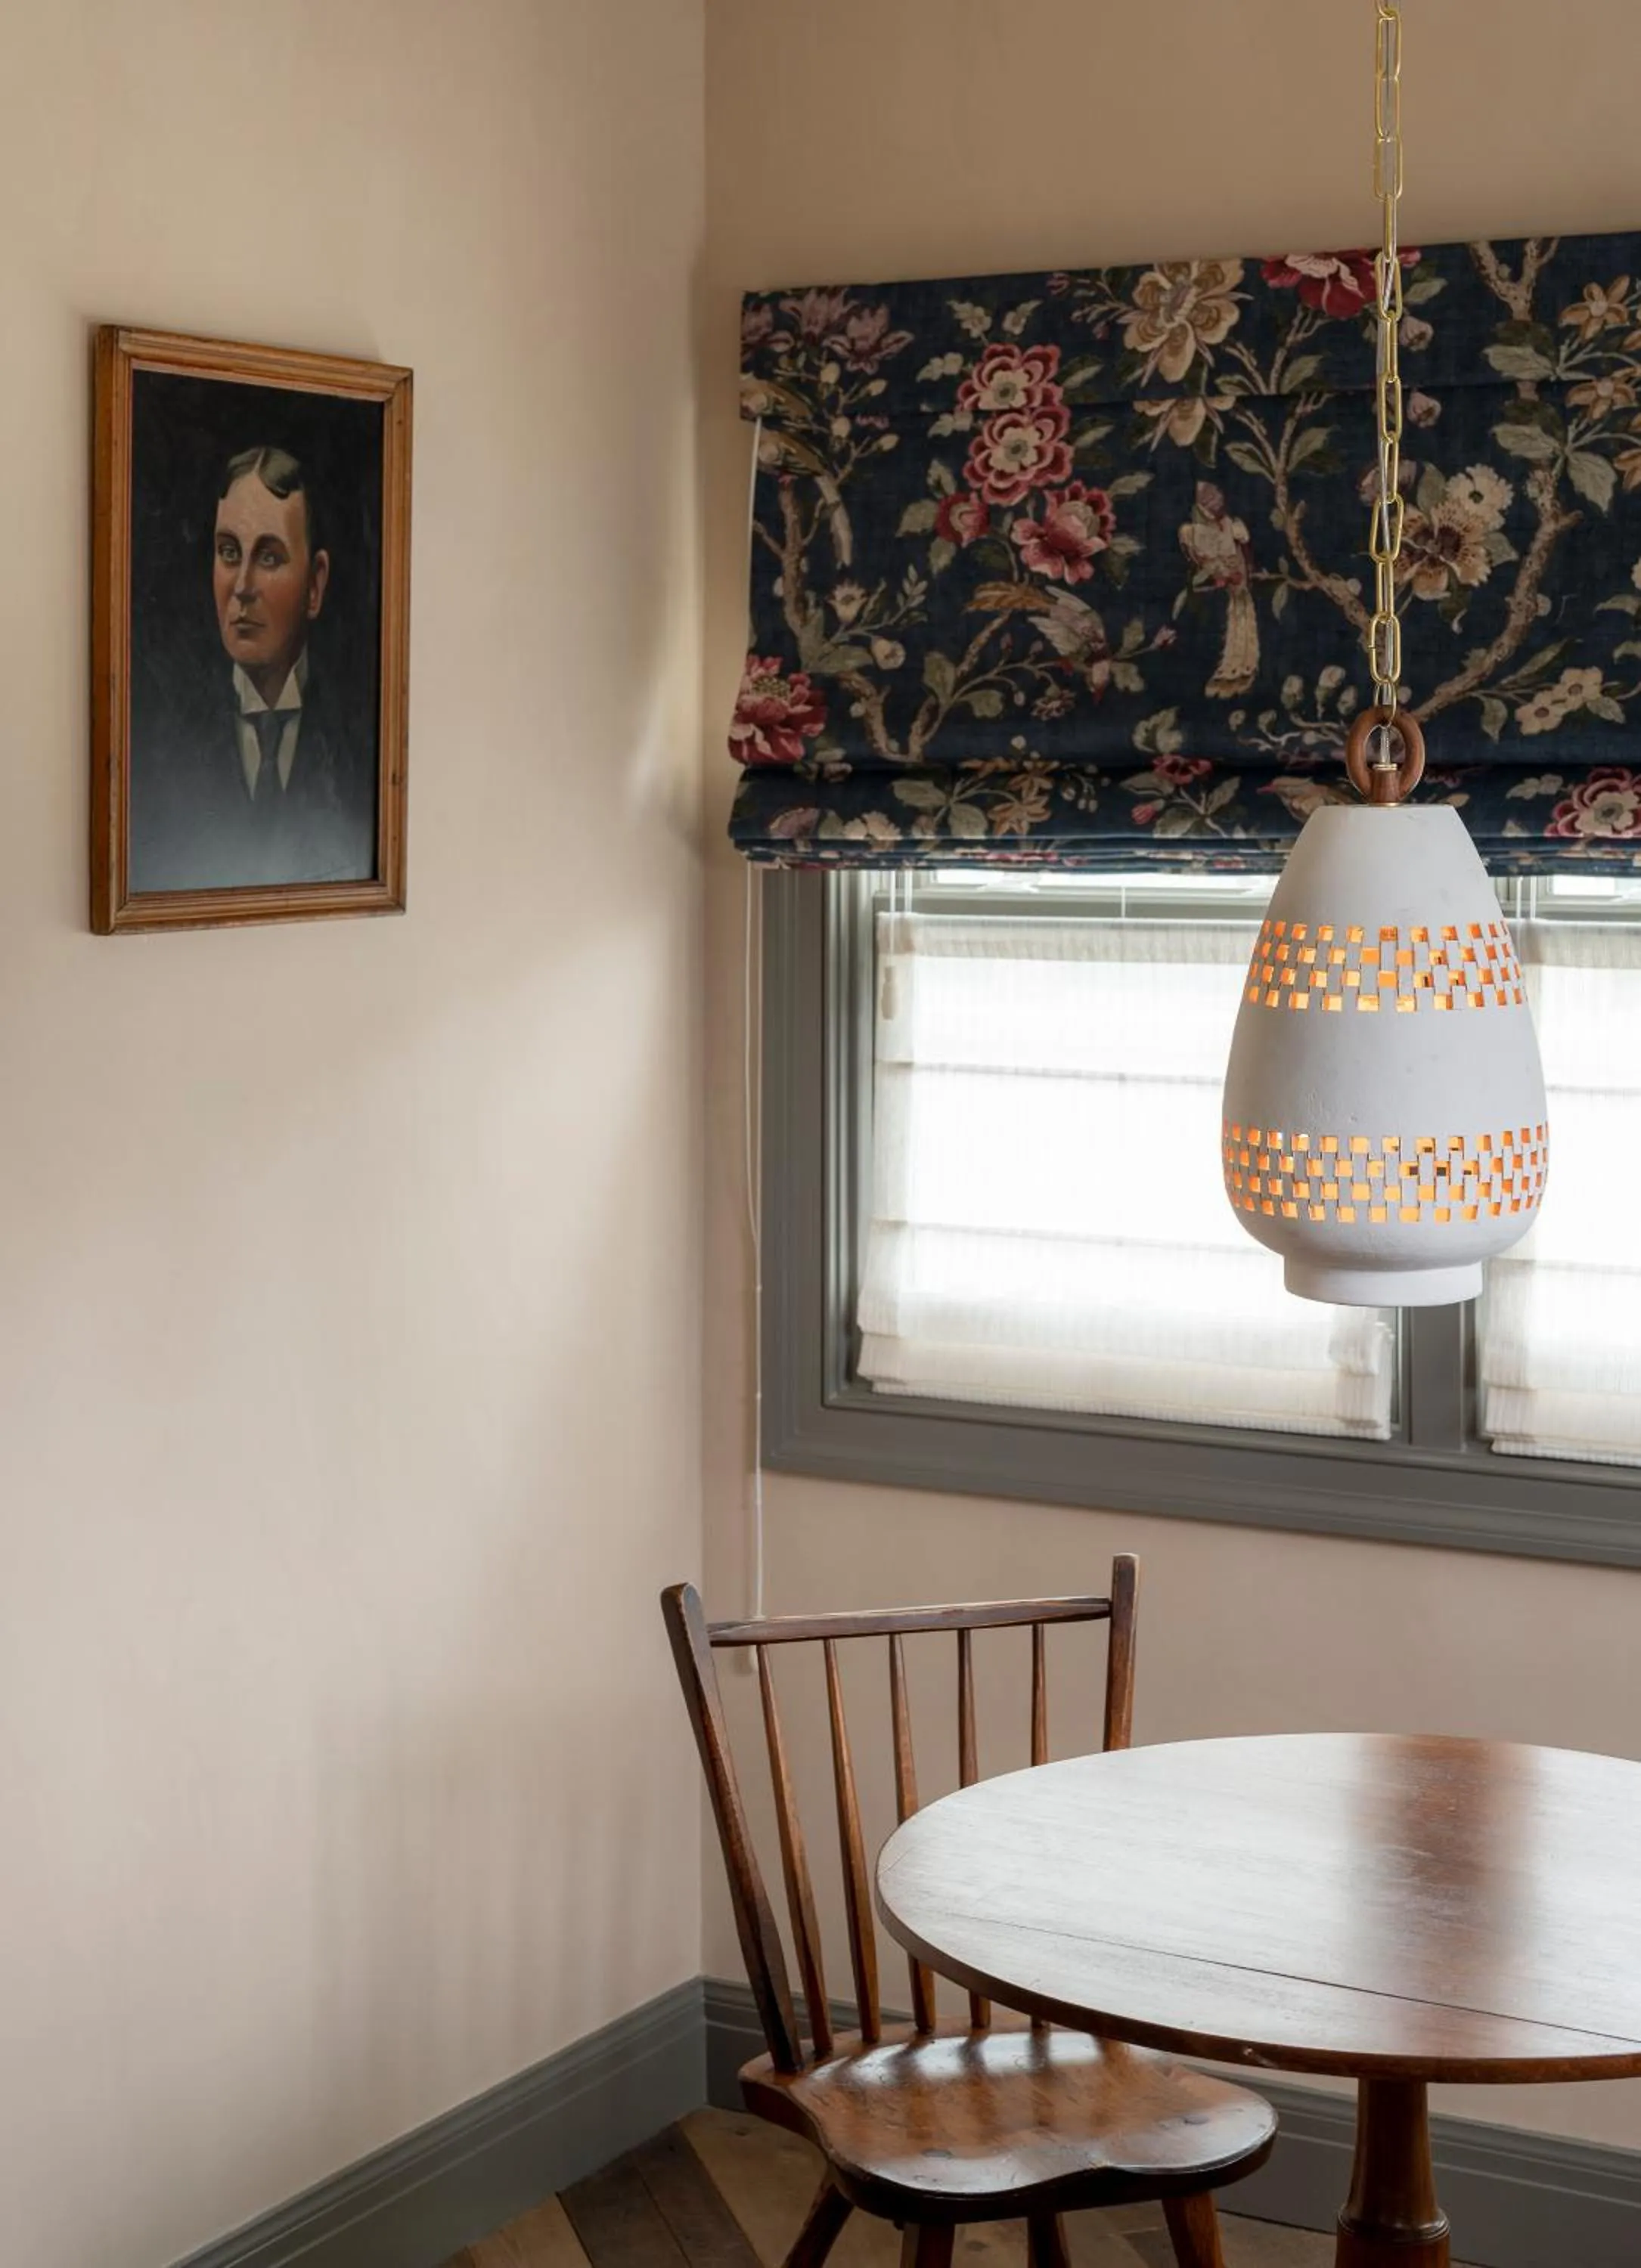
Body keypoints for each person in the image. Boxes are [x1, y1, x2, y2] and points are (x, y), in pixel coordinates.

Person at [128, 444, 377, 892]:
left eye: (268, 558)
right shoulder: (160, 736)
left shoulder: (359, 735)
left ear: (315, 585)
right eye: (228, 552)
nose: (242, 586)